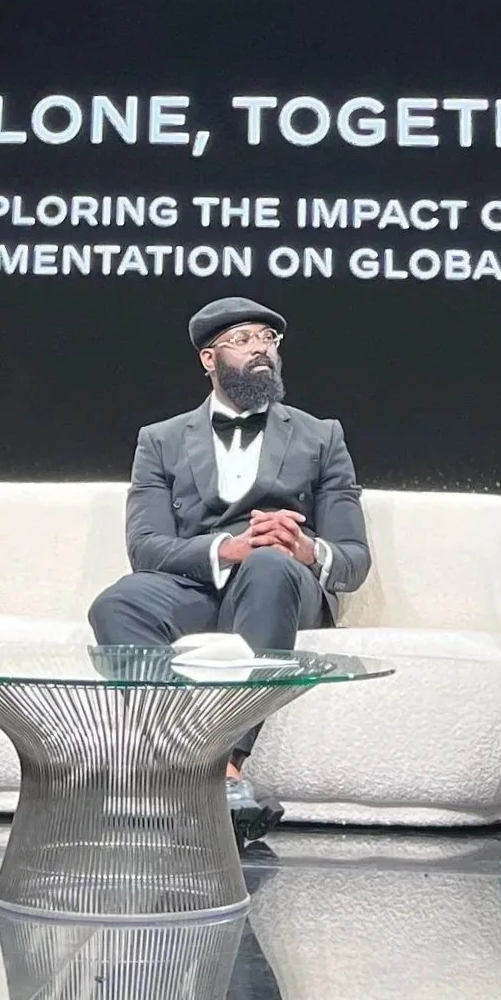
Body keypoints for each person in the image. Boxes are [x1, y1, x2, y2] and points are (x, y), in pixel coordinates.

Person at [90, 300, 370, 839]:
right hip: (199, 583)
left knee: (267, 566)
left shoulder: (321, 436)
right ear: (208, 359)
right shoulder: (161, 439)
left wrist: (304, 549)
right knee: (117, 603)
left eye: (268, 337)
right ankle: (189, 762)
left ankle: (226, 762)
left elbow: (353, 559)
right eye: (242, 339)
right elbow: (146, 548)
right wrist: (226, 549)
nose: (261, 347)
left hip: (281, 584)